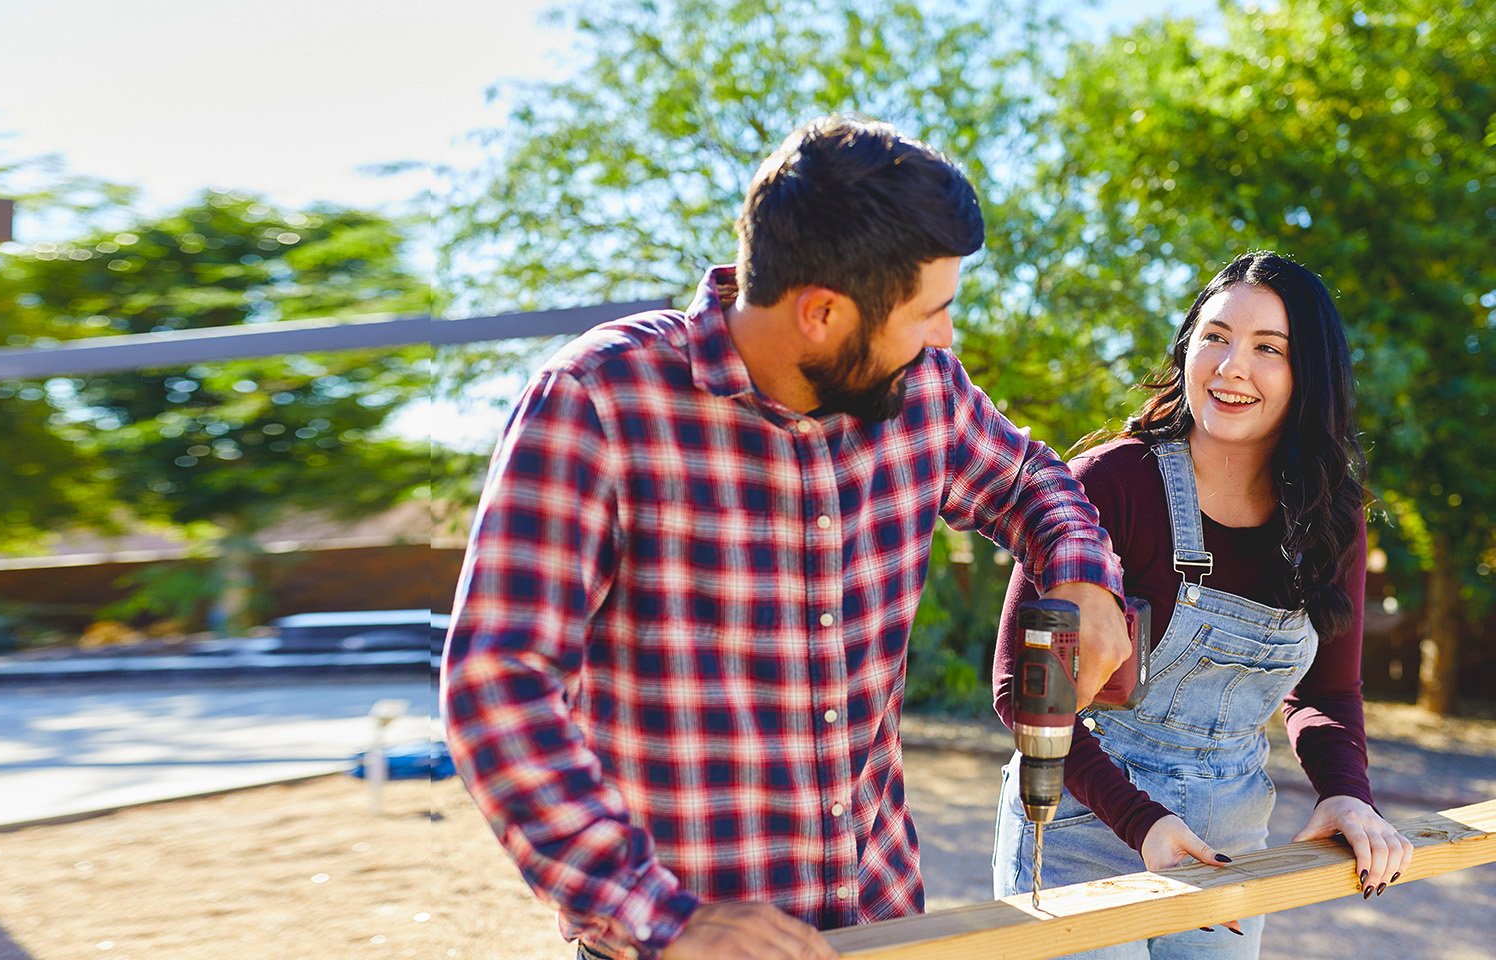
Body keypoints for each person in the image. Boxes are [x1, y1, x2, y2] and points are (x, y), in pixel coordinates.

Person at [441, 114, 1132, 960]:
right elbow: (496, 684)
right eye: (931, 311)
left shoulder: (927, 396)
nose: (945, 337)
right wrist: (661, 914)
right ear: (822, 314)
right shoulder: (597, 403)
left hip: (883, 929)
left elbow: (1034, 482)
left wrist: (1083, 575)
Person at [989, 251, 1415, 958]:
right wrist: (1142, 822)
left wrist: (1346, 793)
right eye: (1214, 336)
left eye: (1267, 348)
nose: (1230, 366)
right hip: (1081, 820)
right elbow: (1029, 694)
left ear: (1309, 374)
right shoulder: (1109, 484)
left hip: (1229, 839)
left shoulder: (1328, 515)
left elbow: (1328, 691)